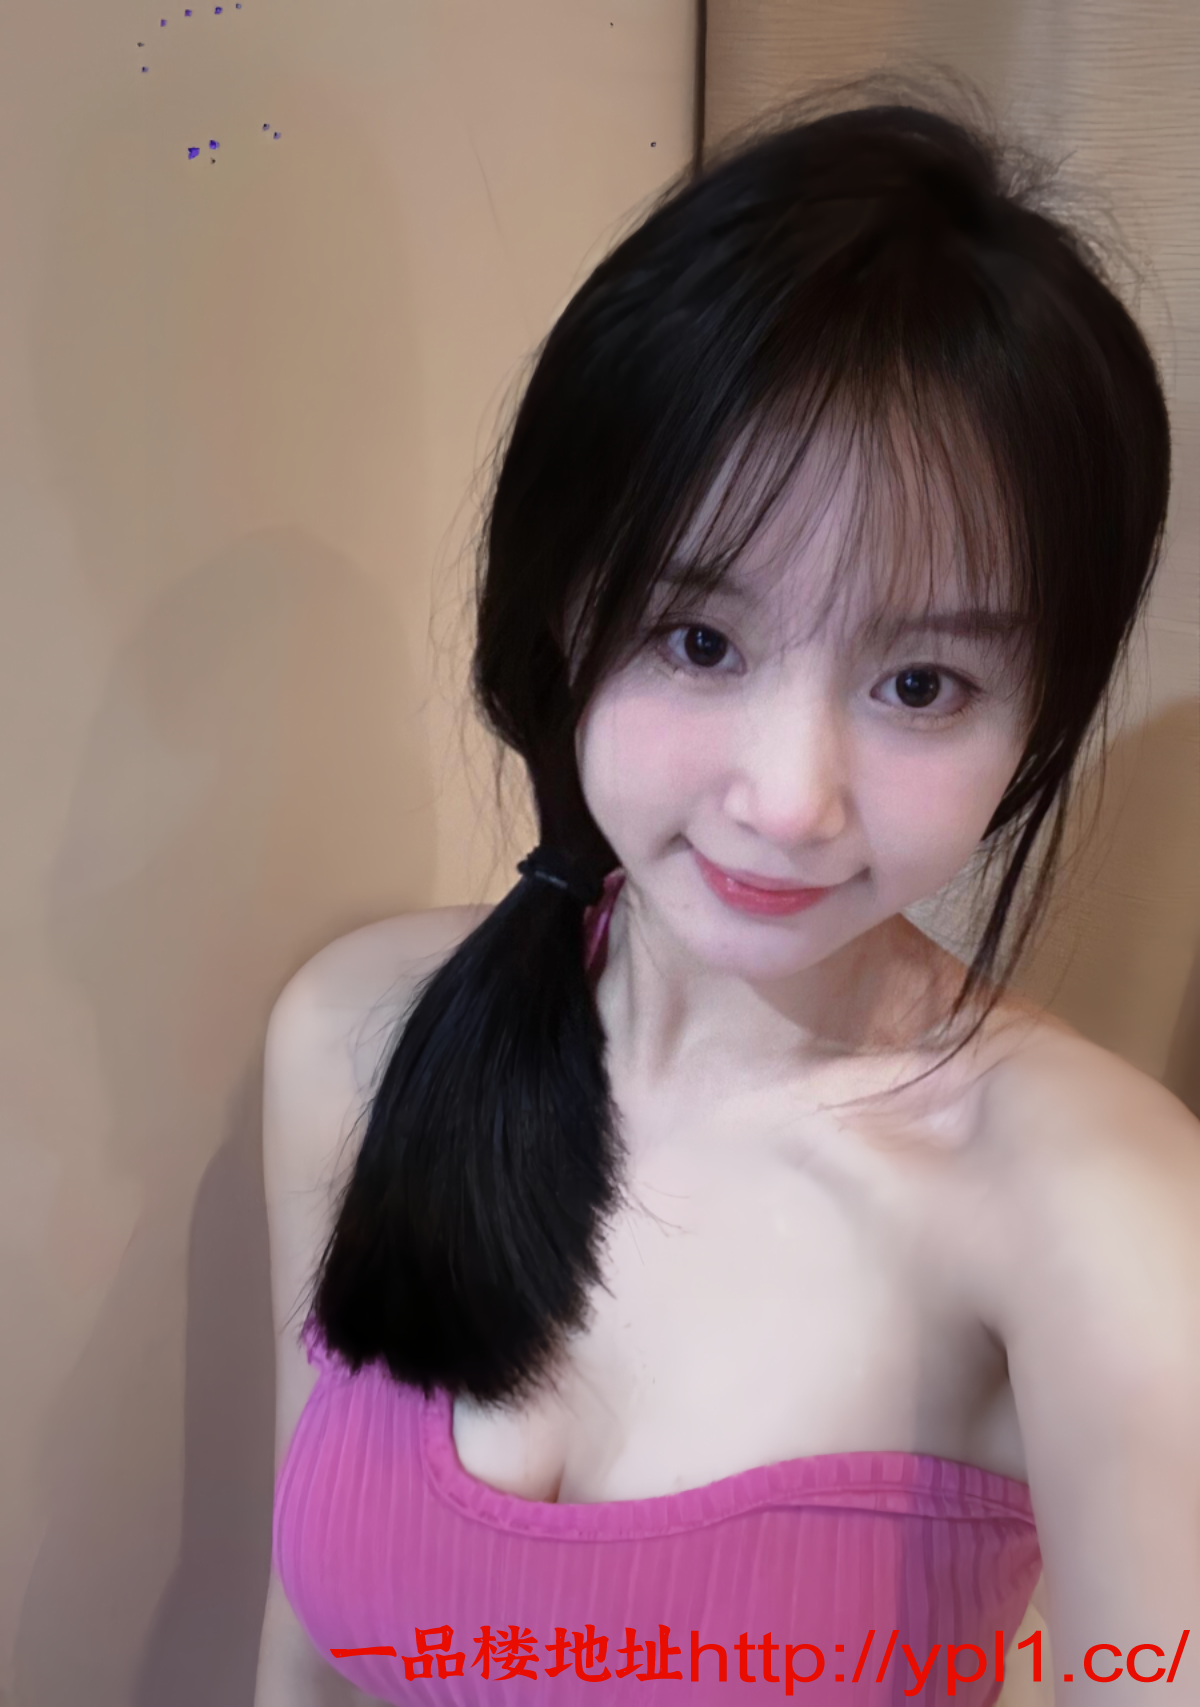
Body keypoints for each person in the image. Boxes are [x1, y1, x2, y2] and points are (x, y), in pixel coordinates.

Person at [254, 72, 1200, 1707]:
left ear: (1037, 712)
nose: (789, 799)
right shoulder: (362, 1034)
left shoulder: (1098, 1209)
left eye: (920, 684)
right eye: (700, 641)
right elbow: (302, 1662)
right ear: (566, 615)